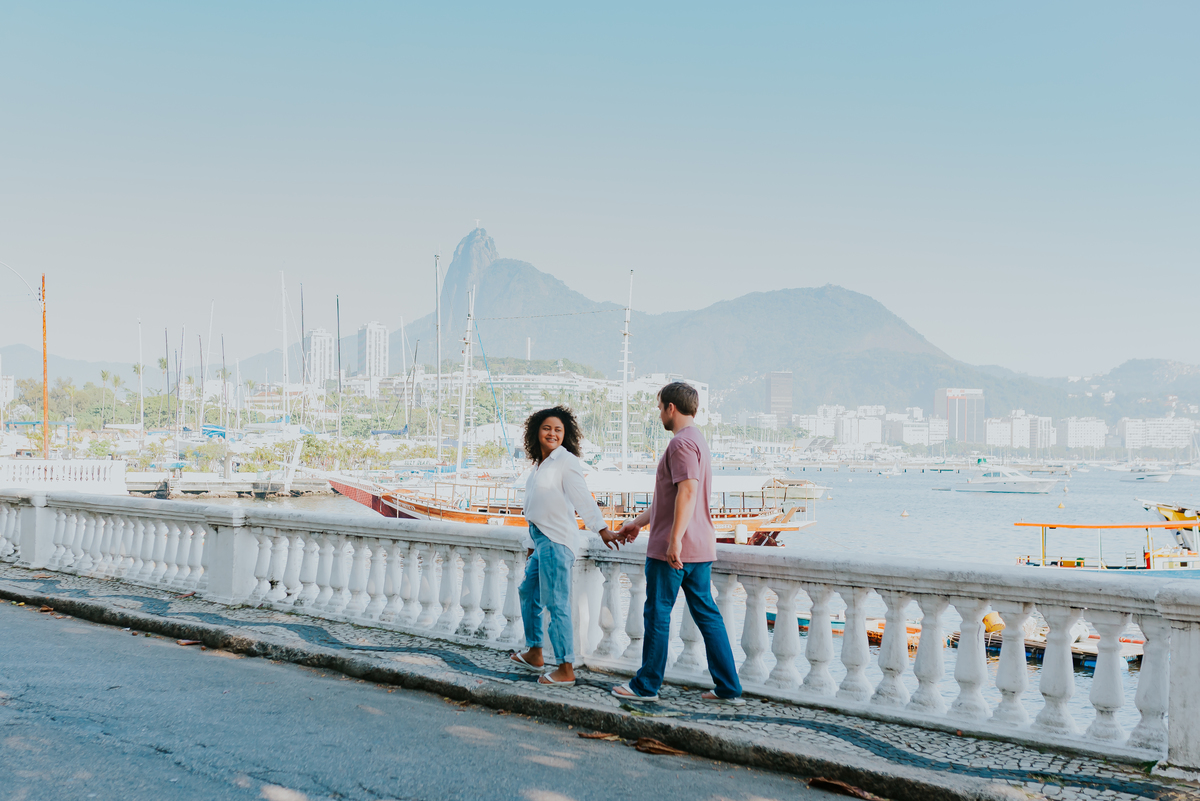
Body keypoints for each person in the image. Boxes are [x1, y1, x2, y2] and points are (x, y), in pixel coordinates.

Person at [611, 382, 744, 705]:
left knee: (657, 613)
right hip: (700, 546)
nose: (659, 414)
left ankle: (646, 686)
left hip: (674, 550)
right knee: (707, 615)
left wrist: (673, 541)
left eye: (660, 408)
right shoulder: (698, 440)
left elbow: (687, 491)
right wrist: (637, 523)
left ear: (671, 407)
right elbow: (669, 499)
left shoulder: (680, 443)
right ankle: (729, 687)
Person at [510, 405, 622, 686]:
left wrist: (602, 529)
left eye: (558, 430)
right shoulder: (539, 465)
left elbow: (582, 497)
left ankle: (565, 668)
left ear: (565, 434)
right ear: (536, 432)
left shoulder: (566, 461)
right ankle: (535, 652)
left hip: (557, 541)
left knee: (556, 603)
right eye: (547, 428)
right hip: (540, 540)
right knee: (528, 591)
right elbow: (535, 508)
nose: (552, 433)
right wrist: (531, 545)